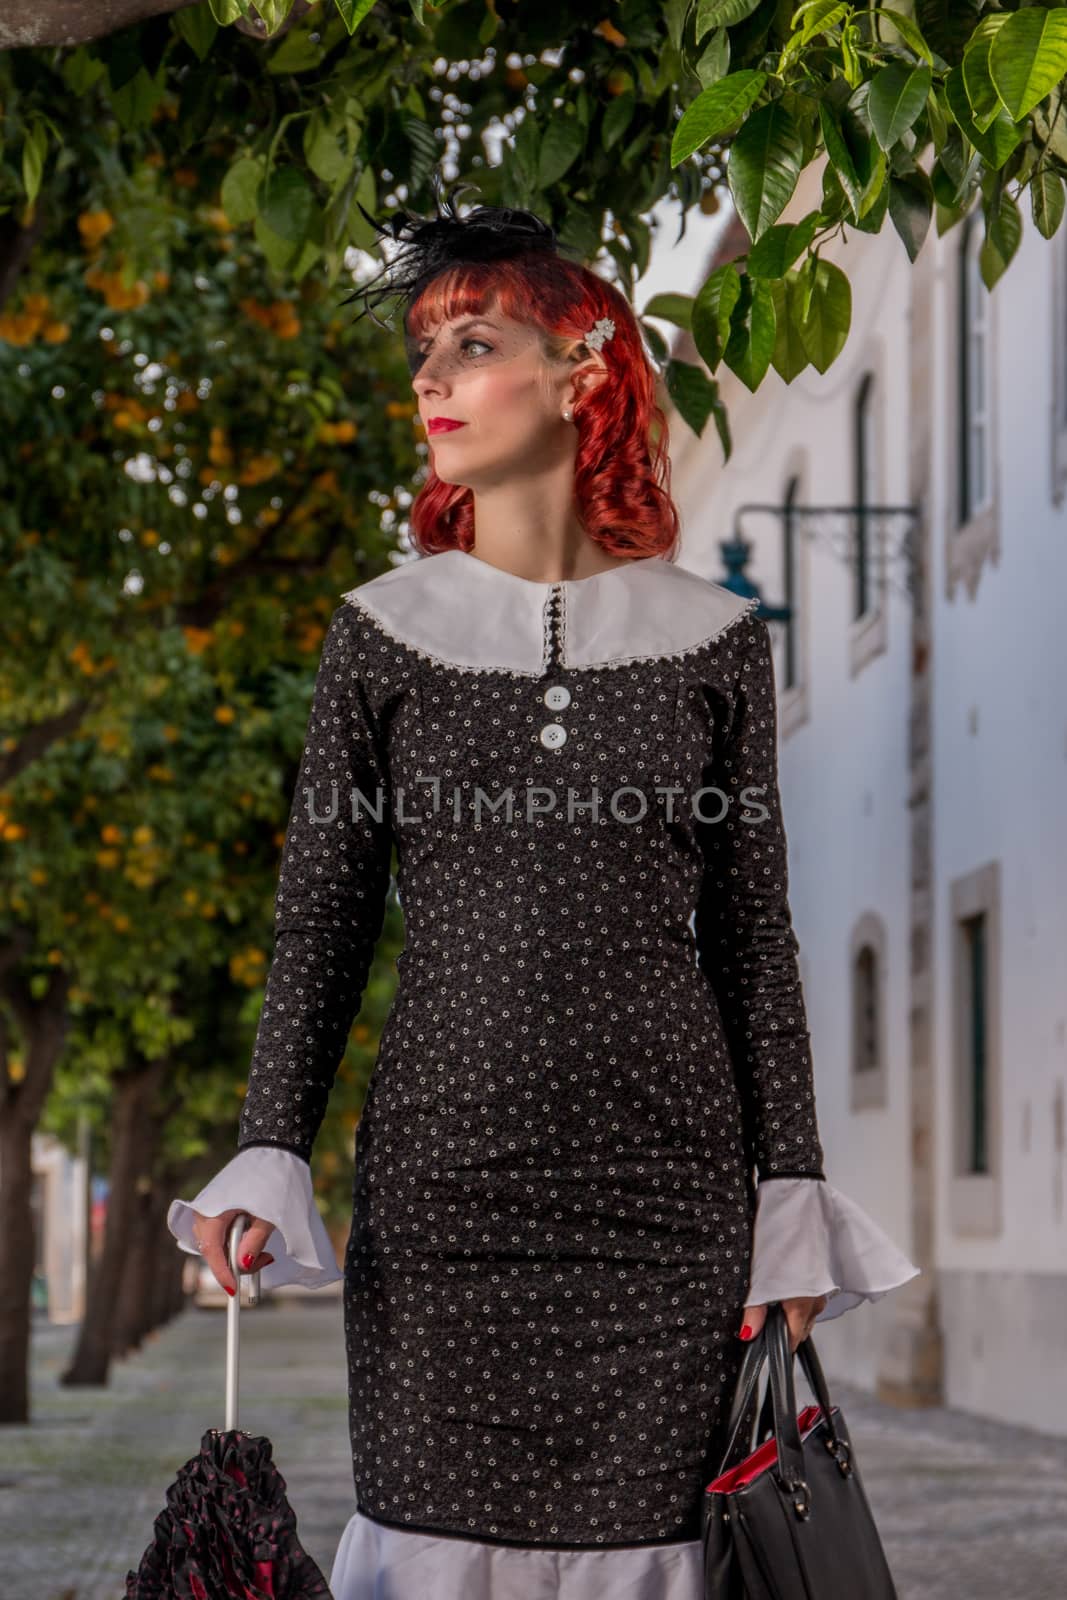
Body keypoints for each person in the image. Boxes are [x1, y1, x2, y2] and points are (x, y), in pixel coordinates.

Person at [167, 181, 919, 1599]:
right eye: (423, 357)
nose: (431, 383)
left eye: (473, 346)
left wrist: (792, 1189)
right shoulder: (377, 637)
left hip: (668, 1205)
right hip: (446, 1196)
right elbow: (323, 914)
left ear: (586, 372)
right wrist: (271, 1143)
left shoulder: (716, 644)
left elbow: (754, 936)